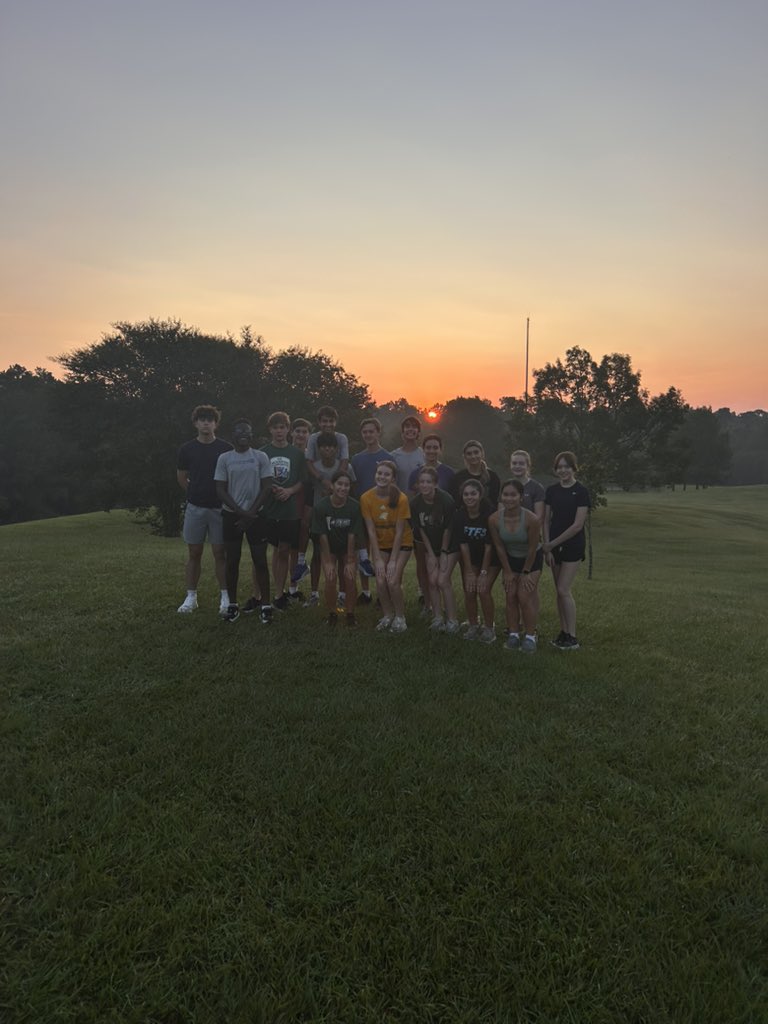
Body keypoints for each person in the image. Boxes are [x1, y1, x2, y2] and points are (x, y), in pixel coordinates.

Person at [213, 418, 273, 623]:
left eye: (247, 432)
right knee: (232, 561)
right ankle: (232, 605)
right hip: (232, 515)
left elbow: (267, 486)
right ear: (233, 435)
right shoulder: (225, 458)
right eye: (239, 432)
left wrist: (250, 513)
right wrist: (240, 512)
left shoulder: (260, 457)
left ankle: (266, 605)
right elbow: (220, 489)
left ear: (252, 435)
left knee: (260, 561)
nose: (243, 435)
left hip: (256, 515)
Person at [176, 405, 233, 615]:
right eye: (202, 419)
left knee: (220, 553)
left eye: (210, 419)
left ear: (216, 423)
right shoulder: (187, 449)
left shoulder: (226, 448)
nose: (206, 423)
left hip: (219, 508)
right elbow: (182, 477)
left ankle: (225, 597)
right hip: (195, 508)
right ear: (196, 423)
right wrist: (195, 493)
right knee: (194, 552)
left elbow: (231, 477)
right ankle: (191, 597)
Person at [260, 411, 308, 611]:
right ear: (270, 430)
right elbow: (259, 478)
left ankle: (280, 595)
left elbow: (302, 481)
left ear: (288, 429)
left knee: (285, 550)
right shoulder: (262, 453)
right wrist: (271, 488)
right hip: (269, 509)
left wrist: (289, 491)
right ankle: (268, 593)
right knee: (273, 549)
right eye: (275, 428)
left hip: (289, 509)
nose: (279, 431)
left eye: (282, 427)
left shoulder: (297, 454)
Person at [488, 479, 543, 653]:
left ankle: (530, 636)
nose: (509, 498)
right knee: (510, 595)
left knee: (524, 596)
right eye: (505, 494)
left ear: (521, 497)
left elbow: (533, 548)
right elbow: (499, 547)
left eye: (513, 495)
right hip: (510, 559)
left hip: (531, 560)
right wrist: (507, 571)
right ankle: (513, 634)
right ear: (501, 497)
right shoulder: (494, 519)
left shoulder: (532, 519)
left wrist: (526, 572)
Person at [543, 451, 590, 650]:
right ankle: (563, 633)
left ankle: (572, 637)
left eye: (566, 466)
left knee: (564, 589)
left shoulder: (581, 491)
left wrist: (552, 544)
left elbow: (577, 525)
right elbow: (545, 521)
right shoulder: (551, 491)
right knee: (559, 592)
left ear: (573, 468)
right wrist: (547, 548)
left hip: (572, 545)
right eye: (559, 467)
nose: (563, 470)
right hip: (553, 547)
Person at [360, 460, 412, 633]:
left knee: (393, 580)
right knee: (381, 580)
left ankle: (400, 618)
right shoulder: (366, 498)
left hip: (402, 544)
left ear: (393, 478)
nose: (382, 477)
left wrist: (393, 560)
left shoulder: (401, 499)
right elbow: (370, 530)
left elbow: (399, 532)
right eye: (379, 473)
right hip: (381, 544)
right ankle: (388, 615)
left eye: (387, 474)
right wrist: (377, 559)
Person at [409, 467, 459, 633]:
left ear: (435, 484)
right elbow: (421, 530)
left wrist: (443, 553)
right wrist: (430, 554)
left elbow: (448, 529)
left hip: (449, 546)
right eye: (421, 482)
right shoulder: (415, 503)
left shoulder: (446, 500)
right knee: (431, 581)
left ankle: (452, 620)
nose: (424, 485)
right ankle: (437, 618)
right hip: (430, 546)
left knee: (442, 581)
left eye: (428, 482)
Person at [312, 470, 363, 627]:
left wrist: (350, 561)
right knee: (330, 577)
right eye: (339, 484)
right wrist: (328, 562)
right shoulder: (321, 506)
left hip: (348, 546)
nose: (343, 488)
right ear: (332, 486)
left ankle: (350, 613)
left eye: (346, 485)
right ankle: (332, 613)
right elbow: (322, 535)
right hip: (329, 546)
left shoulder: (355, 506)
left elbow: (352, 535)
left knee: (349, 577)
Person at [350, 417, 393, 601]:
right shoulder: (356, 459)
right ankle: (366, 591)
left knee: (381, 553)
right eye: (365, 432)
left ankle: (382, 592)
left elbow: (393, 486)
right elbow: (353, 486)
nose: (368, 435)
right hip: (362, 510)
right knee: (363, 553)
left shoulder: (388, 457)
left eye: (371, 431)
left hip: (382, 512)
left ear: (378, 432)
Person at [451, 479, 499, 643]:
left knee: (483, 589)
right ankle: (473, 624)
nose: (469, 497)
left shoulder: (490, 514)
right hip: (472, 557)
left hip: (491, 559)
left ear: (480, 495)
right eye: (466, 494)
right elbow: (463, 545)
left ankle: (489, 627)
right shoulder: (459, 515)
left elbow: (489, 546)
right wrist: (469, 571)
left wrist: (483, 572)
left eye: (473, 493)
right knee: (470, 589)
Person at [508, 449, 545, 634]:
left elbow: (539, 518)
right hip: (511, 546)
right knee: (513, 590)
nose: (517, 466)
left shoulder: (536, 488)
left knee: (530, 589)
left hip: (531, 545)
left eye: (521, 463)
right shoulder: (508, 486)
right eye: (514, 463)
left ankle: (531, 625)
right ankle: (515, 625)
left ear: (528, 465)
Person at [450, 440, 501, 508]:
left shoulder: (492, 477)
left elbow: (495, 502)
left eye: (476, 452)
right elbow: (456, 502)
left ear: (482, 454)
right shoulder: (458, 477)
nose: (473, 456)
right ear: (464, 456)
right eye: (469, 454)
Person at [391, 415, 425, 493]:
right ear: (402, 432)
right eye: (407, 426)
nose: (410, 429)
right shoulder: (393, 456)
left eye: (414, 426)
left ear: (418, 432)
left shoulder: (424, 455)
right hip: (399, 499)